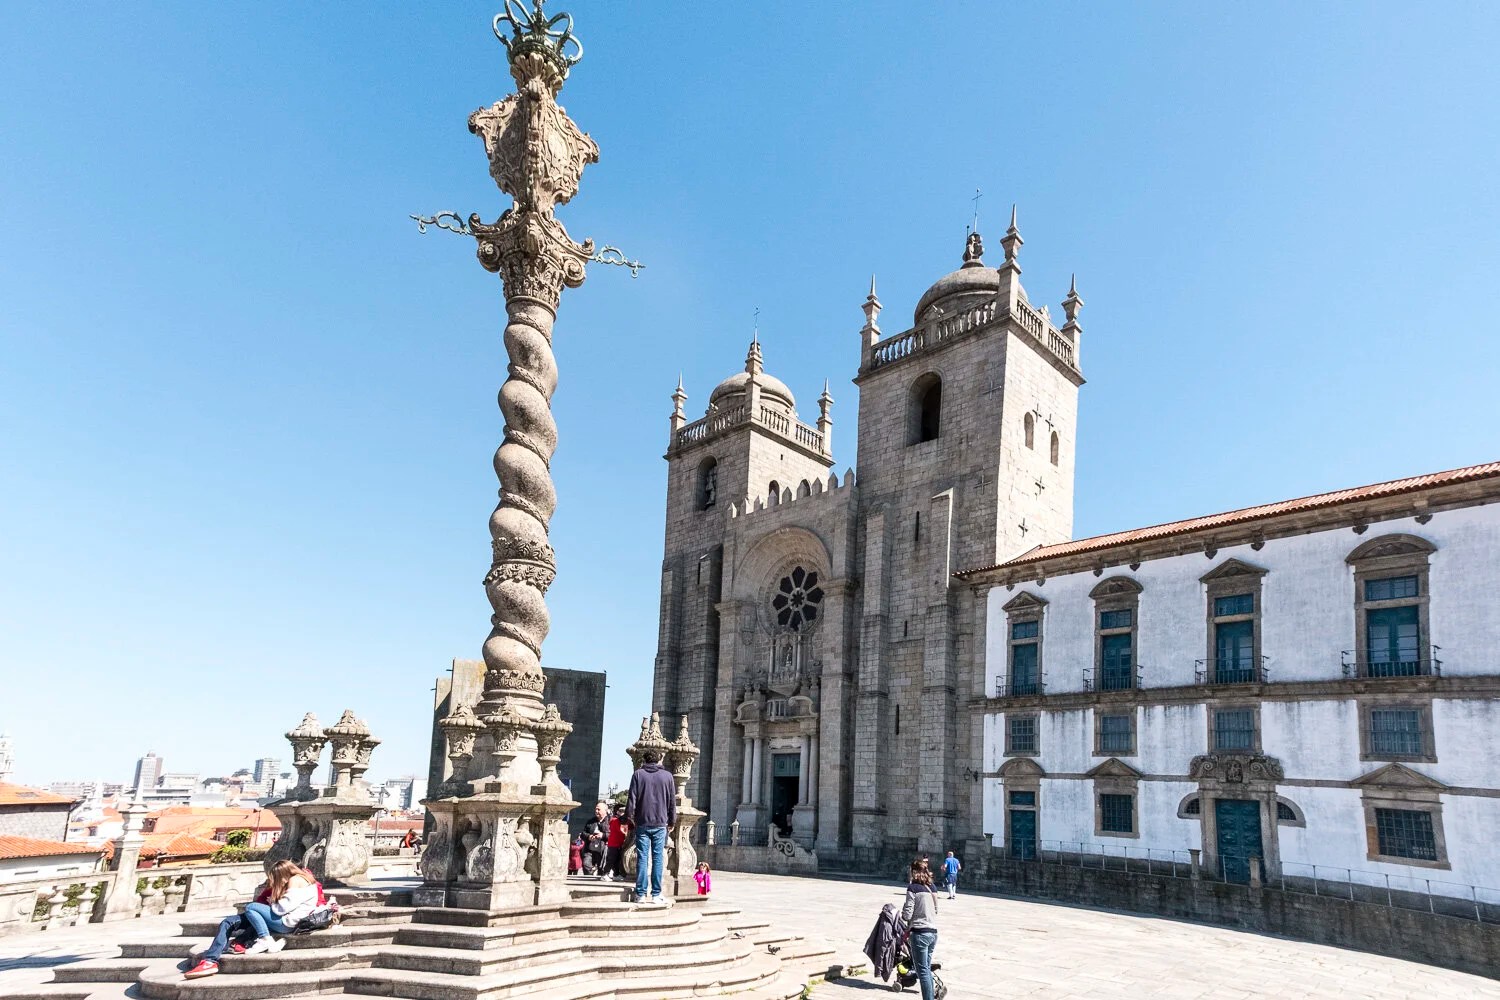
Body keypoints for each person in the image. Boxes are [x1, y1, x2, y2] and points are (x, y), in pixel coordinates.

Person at [183, 861, 317, 979]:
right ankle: (210, 962)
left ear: (283, 874)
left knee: (251, 907)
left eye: (276, 878)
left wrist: (272, 902)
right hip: (271, 917)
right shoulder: (300, 881)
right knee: (228, 922)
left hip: (282, 920)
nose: (276, 882)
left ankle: (264, 940)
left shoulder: (295, 880)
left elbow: (281, 909)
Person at [625, 747, 676, 906]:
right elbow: (672, 802)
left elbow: (632, 799)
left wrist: (629, 818)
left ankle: (640, 894)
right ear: (659, 759)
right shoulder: (667, 776)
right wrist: (672, 821)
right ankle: (656, 894)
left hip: (642, 822)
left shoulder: (638, 775)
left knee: (642, 857)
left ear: (644, 760)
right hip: (660, 823)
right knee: (658, 858)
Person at [900, 858, 939, 1000]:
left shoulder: (913, 888)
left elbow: (907, 914)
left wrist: (904, 912)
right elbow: (936, 910)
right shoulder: (932, 888)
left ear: (914, 871)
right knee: (926, 970)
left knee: (922, 972)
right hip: (933, 933)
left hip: (920, 933)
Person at [582, 801, 609, 876]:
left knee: (602, 870)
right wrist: (589, 836)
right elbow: (583, 834)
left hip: (602, 850)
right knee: (586, 864)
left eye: (598, 809)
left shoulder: (610, 821)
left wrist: (603, 835)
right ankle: (590, 875)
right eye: (596, 809)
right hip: (590, 849)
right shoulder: (591, 821)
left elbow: (613, 835)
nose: (596, 811)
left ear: (605, 811)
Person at [604, 802, 629, 881]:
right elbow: (622, 830)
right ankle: (605, 873)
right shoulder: (615, 820)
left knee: (616, 860)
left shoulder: (616, 820)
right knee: (611, 860)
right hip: (614, 844)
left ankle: (616, 874)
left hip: (617, 843)